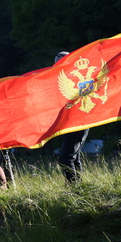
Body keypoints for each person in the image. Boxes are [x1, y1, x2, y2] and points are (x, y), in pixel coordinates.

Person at [54, 51, 90, 183]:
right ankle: (78, 188)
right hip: (69, 124)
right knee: (74, 157)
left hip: (79, 122)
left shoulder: (78, 79)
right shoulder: (59, 79)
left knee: (65, 158)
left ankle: (73, 186)